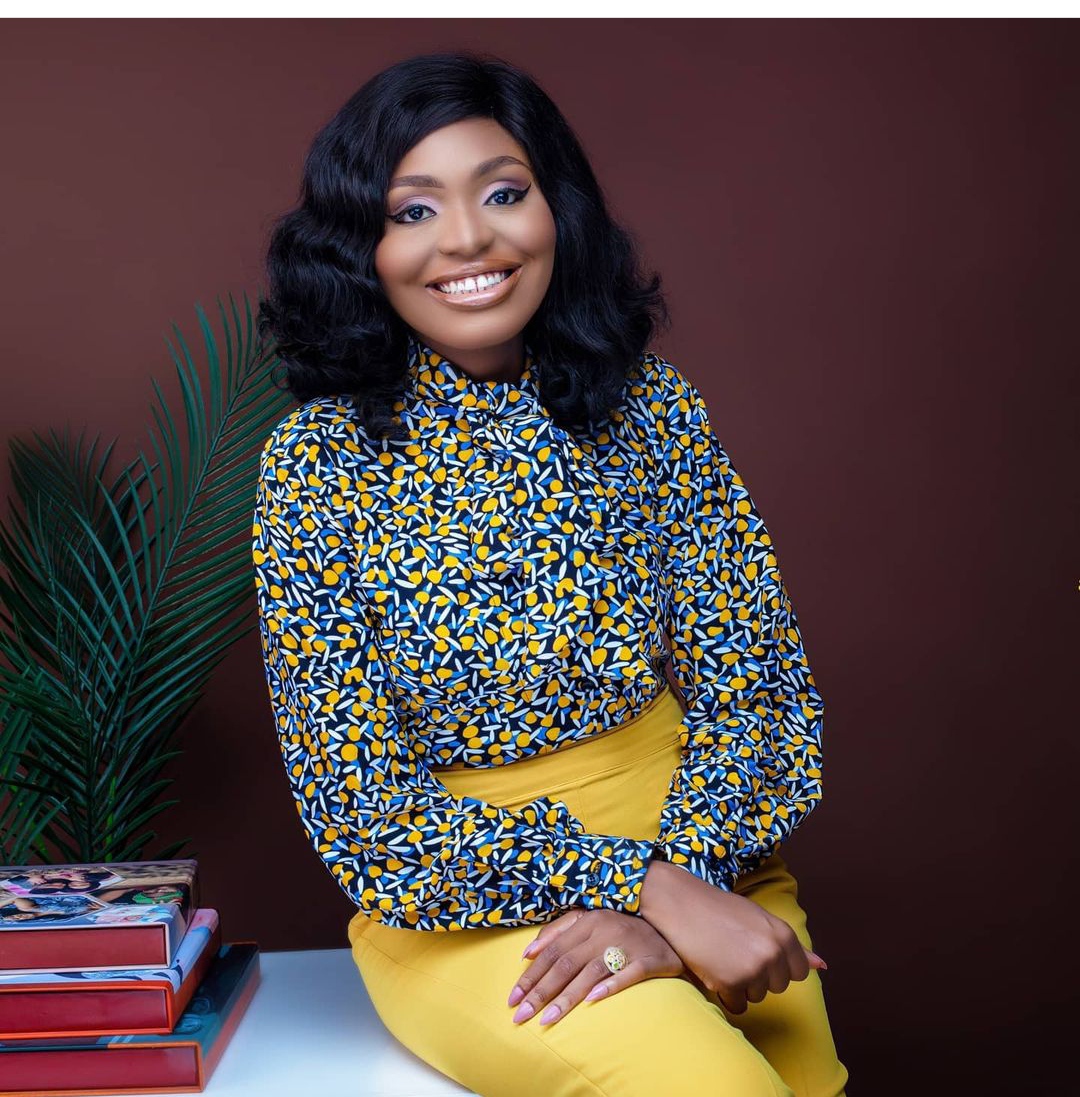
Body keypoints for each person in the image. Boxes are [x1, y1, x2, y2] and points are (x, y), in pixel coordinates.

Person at [252, 50, 848, 1097]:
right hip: (469, 903)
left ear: (555, 210)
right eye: (413, 210)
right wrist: (641, 889)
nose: (467, 239)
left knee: (808, 1080)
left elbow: (760, 690)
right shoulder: (316, 466)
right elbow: (363, 811)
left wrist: (681, 883)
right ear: (360, 248)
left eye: (502, 193)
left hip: (704, 842)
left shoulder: (650, 407)